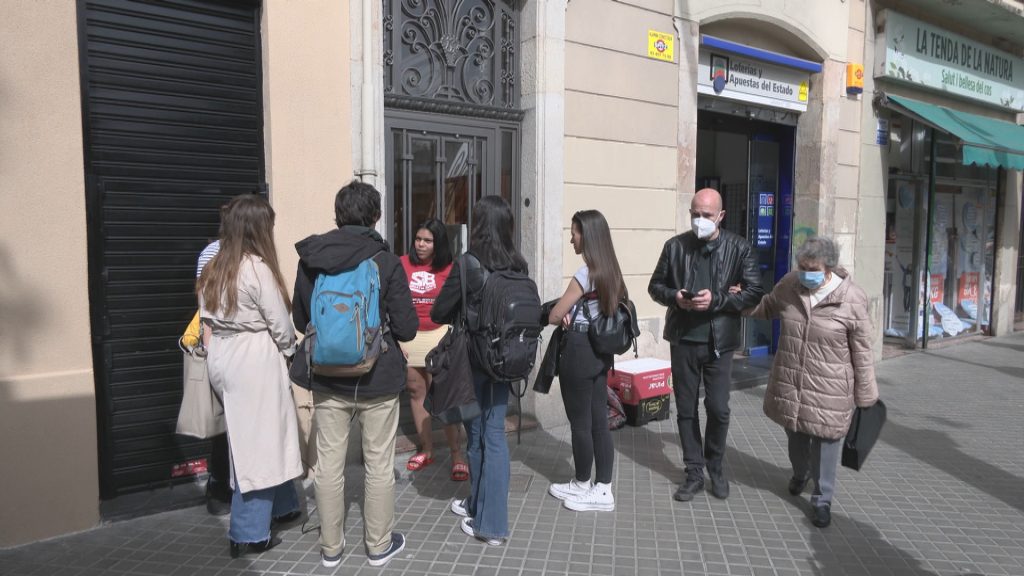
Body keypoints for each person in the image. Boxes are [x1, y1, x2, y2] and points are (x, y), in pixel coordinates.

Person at [292, 180, 418, 568]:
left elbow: (300, 319)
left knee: (328, 465)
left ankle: (331, 549)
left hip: (328, 378)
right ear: (376, 216)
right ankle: (378, 546)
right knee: (379, 463)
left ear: (337, 214)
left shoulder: (313, 256)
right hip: (377, 377)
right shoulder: (386, 260)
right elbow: (408, 327)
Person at [744, 236, 878, 528]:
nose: (806, 272)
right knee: (796, 437)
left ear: (829, 267)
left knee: (826, 444)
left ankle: (822, 499)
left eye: (812, 267)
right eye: (802, 266)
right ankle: (800, 473)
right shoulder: (791, 284)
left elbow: (863, 351)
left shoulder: (852, 297)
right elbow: (767, 307)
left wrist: (866, 395)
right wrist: (739, 301)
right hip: (792, 381)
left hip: (831, 388)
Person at [196, 195, 302, 558]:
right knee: (257, 448)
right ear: (258, 227)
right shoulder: (256, 267)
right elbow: (281, 325)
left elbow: (206, 318)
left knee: (258, 437)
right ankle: (250, 533)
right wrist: (290, 353)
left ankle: (285, 506)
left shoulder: (215, 263)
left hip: (223, 355)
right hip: (254, 357)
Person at [647, 188, 765, 502]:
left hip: (720, 342)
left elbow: (754, 292)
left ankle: (716, 467)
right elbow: (655, 286)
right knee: (686, 409)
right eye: (695, 214)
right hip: (683, 339)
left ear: (721, 216)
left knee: (718, 408)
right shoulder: (675, 247)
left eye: (707, 215)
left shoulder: (739, 248)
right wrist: (676, 298)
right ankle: (693, 473)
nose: (700, 220)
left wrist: (719, 299)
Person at [431, 195, 527, 546]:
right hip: (503, 361)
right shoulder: (519, 265)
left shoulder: (467, 263)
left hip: (471, 363)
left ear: (479, 225)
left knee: (481, 436)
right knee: (492, 433)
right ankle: (477, 503)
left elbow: (440, 311)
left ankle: (491, 524)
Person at [545, 210, 626, 512]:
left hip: (579, 351)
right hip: (599, 352)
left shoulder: (585, 274)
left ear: (588, 236)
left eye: (574, 232)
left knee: (580, 423)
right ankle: (593, 484)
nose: (571, 238)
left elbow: (554, 314)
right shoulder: (611, 271)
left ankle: (592, 487)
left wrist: (563, 314)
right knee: (597, 421)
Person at [400, 219, 468, 481]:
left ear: (438, 243)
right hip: (410, 337)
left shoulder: (451, 268)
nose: (421, 244)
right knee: (417, 391)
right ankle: (427, 449)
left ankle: (456, 454)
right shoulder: (402, 264)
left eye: (427, 240)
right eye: (418, 238)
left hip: (441, 336)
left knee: (445, 397)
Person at [194, 239, 232, 516]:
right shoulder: (251, 253)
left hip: (216, 349)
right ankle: (222, 486)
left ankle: (219, 488)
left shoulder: (209, 252)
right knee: (227, 425)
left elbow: (203, 305)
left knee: (222, 425)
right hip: (231, 350)